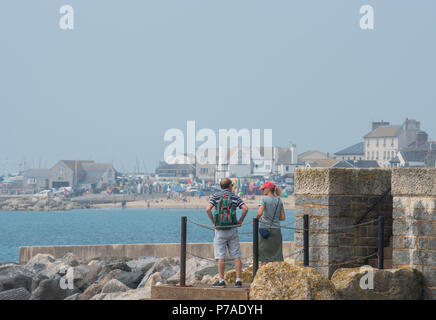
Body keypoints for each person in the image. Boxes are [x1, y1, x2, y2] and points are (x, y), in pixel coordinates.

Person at [206, 178, 248, 288]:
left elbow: (208, 209)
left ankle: (221, 280)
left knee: (221, 256)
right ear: (230, 186)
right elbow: (245, 208)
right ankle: (238, 280)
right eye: (232, 185)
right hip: (232, 228)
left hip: (220, 230)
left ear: (221, 186)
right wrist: (240, 221)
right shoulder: (234, 196)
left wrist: (214, 222)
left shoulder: (215, 196)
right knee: (236, 256)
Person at [256, 181, 285, 265]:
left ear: (268, 189)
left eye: (263, 189)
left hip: (265, 229)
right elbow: (283, 218)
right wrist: (274, 217)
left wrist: (257, 218)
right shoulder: (279, 200)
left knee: (264, 255)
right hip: (276, 230)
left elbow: (259, 213)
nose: (262, 191)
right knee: (276, 254)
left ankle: (263, 275)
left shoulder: (264, 199)